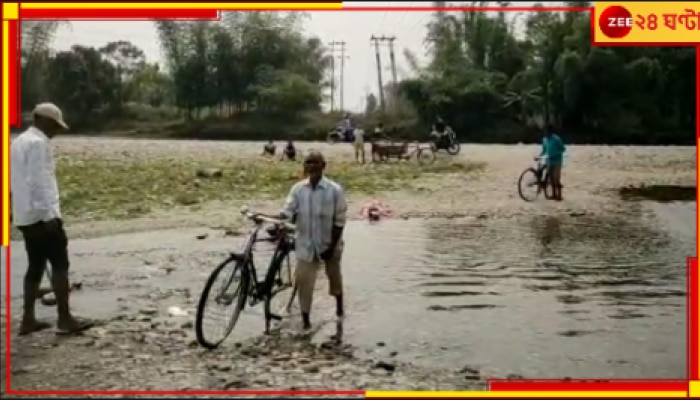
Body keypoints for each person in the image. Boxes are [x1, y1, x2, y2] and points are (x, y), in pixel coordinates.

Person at [10, 102, 93, 335]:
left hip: (25, 216)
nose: (56, 131)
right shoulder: (38, 144)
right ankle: (64, 318)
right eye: (55, 126)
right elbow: (38, 183)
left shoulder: (18, 142)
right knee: (59, 265)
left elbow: (14, 180)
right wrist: (48, 216)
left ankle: (28, 319)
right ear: (44, 121)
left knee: (35, 267)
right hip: (42, 216)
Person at [278, 151, 347, 330]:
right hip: (306, 244)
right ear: (304, 166)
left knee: (334, 277)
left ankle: (339, 308)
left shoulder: (334, 190)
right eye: (308, 162)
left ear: (323, 165)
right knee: (304, 282)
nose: (312, 166)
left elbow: (339, 221)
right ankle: (306, 321)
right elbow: (288, 208)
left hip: (330, 242)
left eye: (316, 162)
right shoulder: (298, 189)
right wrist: (281, 218)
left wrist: (331, 246)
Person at [539, 124, 566, 201]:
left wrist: (555, 154)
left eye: (547, 131)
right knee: (550, 178)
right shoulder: (544, 140)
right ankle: (554, 194)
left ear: (551, 132)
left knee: (556, 178)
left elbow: (563, 149)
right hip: (549, 160)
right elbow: (544, 150)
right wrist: (539, 156)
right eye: (545, 131)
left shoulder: (556, 139)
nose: (545, 133)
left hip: (557, 161)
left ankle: (559, 195)